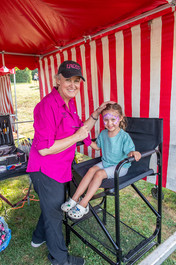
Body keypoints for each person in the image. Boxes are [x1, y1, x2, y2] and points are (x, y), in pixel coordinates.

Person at [27, 60, 113, 265]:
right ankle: (60, 259)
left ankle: (37, 238)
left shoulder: (69, 103)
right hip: (45, 169)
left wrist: (96, 114)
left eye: (77, 80)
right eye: (68, 80)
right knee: (55, 212)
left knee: (50, 207)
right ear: (57, 81)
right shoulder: (46, 106)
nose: (73, 85)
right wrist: (77, 138)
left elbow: (79, 129)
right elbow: (44, 149)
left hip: (60, 168)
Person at [61, 103, 141, 220]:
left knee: (99, 174)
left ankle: (84, 204)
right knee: (91, 169)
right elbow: (97, 146)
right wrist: (86, 139)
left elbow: (130, 152)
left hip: (120, 167)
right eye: (106, 120)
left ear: (121, 118)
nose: (109, 123)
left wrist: (134, 153)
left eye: (113, 119)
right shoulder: (103, 134)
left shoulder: (124, 136)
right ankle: (74, 199)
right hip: (107, 162)